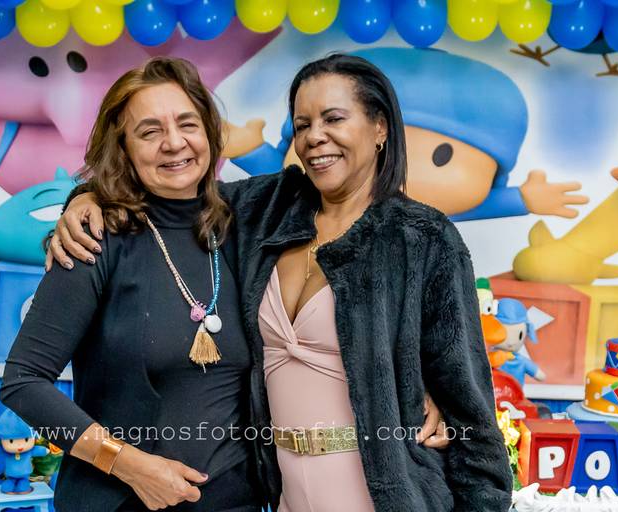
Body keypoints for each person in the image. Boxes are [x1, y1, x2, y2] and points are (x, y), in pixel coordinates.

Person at [51, 54, 512, 511]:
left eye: (334, 118)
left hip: (384, 494)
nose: (315, 137)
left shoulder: (423, 238)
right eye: (302, 124)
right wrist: (86, 198)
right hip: (285, 495)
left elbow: (470, 412)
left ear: (380, 128)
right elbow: (171, 194)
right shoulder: (266, 209)